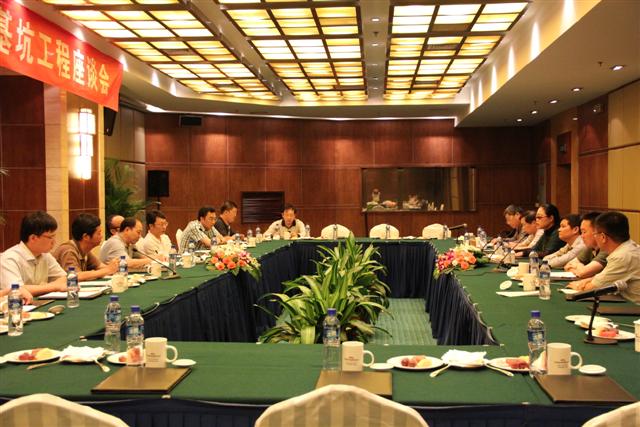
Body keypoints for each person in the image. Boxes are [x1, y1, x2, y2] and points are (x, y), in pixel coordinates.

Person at [568, 211, 640, 303]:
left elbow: (592, 289)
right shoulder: (628, 248)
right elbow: (603, 279)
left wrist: (579, 286)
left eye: (595, 234)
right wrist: (588, 281)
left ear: (603, 237)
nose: (594, 237)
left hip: (633, 308)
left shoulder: (622, 256)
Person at [0, 211, 66, 297]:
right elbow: (16, 290)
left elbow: (63, 278)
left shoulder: (45, 255)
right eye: (50, 237)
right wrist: (54, 287)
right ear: (33, 238)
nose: (54, 241)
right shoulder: (9, 258)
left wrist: (48, 287)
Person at [53, 213, 119, 281]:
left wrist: (113, 267)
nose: (101, 236)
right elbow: (75, 276)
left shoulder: (85, 250)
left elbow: (100, 267)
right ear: (86, 237)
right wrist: (107, 270)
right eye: (99, 233)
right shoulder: (68, 250)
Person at [565, 212, 607, 279]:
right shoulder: (590, 247)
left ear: (596, 231)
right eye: (581, 232)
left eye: (584, 232)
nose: (582, 236)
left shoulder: (606, 249)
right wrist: (582, 269)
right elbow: (568, 265)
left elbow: (582, 273)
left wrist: (580, 270)